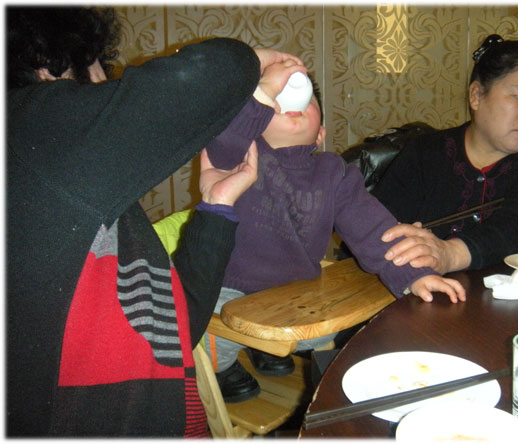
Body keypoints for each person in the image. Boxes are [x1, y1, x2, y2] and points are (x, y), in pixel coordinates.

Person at [7, 6, 299, 436]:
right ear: (48, 67)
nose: (107, 84)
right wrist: (250, 60)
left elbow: (171, 333)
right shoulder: (22, 123)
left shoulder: (83, 204)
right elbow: (210, 73)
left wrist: (216, 208)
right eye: (99, 70)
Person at [192, 59, 466, 403]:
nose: (292, 102)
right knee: (208, 329)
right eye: (276, 99)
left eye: (306, 100)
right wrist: (262, 93)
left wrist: (415, 275)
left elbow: (373, 228)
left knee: (323, 335)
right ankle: (224, 368)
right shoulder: (239, 156)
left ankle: (266, 347)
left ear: (320, 133)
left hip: (294, 291)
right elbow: (224, 141)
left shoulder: (334, 172)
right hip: (228, 284)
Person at [374, 35, 518, 275]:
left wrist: (449, 254)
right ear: (476, 96)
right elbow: (377, 228)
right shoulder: (424, 153)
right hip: (418, 292)